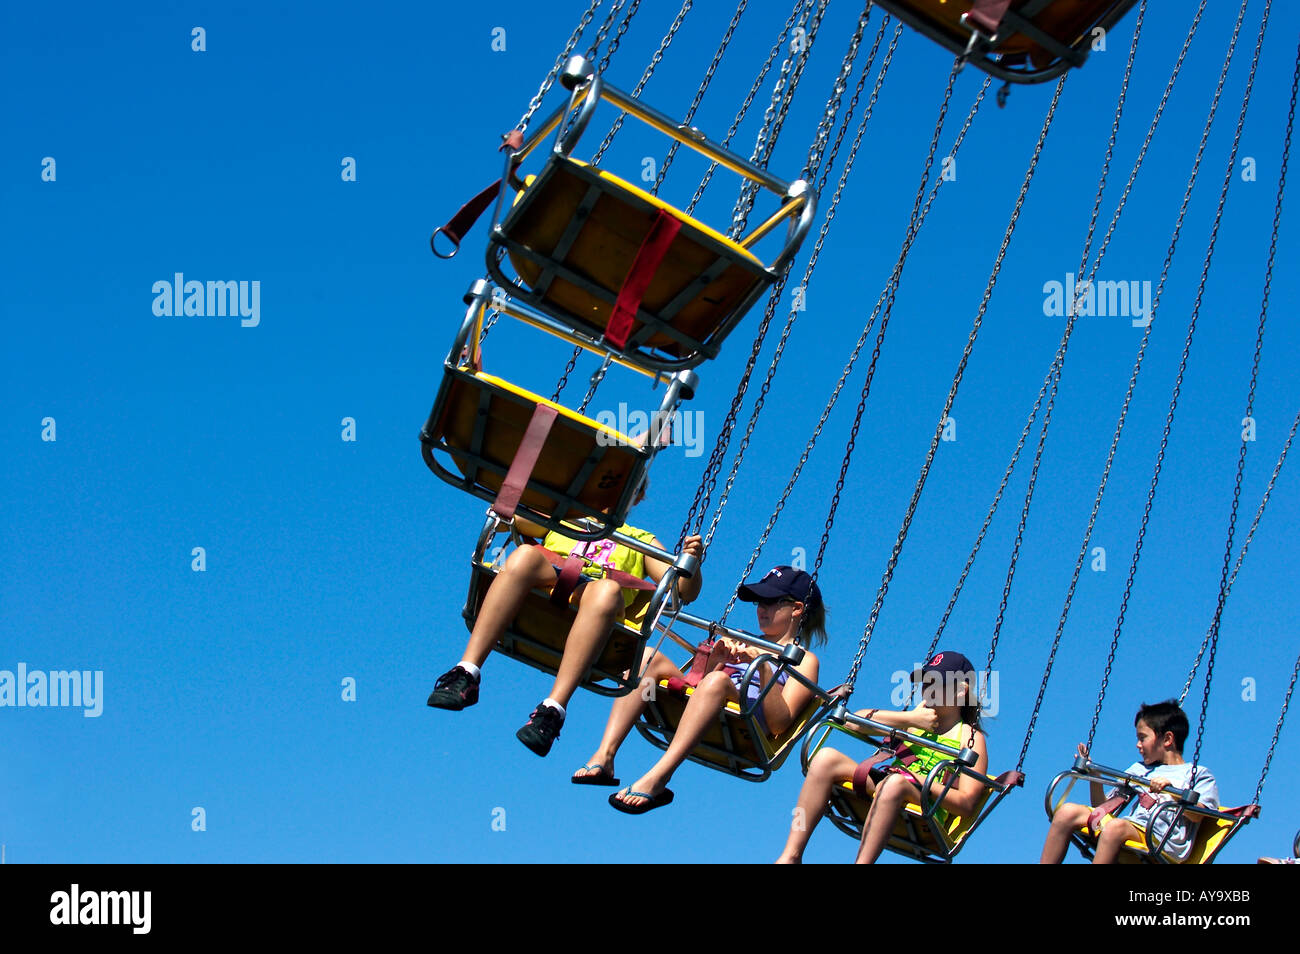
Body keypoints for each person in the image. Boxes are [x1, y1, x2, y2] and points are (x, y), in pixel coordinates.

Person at [426, 483, 704, 758]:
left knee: (606, 591)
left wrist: (692, 562)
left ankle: (552, 710)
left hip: (598, 601)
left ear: (639, 495)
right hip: (550, 583)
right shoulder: (565, 516)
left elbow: (682, 591)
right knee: (523, 555)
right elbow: (504, 518)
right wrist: (512, 490)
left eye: (630, 485)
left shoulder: (640, 540)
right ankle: (466, 671)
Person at [573, 565, 825, 813]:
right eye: (759, 602)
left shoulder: (804, 660)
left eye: (770, 602)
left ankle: (659, 777)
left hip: (747, 727)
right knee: (648, 657)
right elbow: (698, 683)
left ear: (796, 609)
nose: (761, 609)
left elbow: (781, 724)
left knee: (718, 683)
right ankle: (605, 755)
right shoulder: (739, 636)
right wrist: (716, 659)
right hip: (706, 704)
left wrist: (763, 667)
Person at [776, 650, 989, 864]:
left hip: (926, 805)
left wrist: (917, 782)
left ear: (961, 691)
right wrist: (909, 719)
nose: (926, 690)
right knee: (825, 758)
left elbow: (967, 802)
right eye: (925, 683)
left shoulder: (970, 738)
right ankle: (791, 855)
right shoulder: (914, 721)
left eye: (936, 683)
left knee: (895, 783)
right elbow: (852, 721)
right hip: (887, 785)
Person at [1040, 699, 1220, 864]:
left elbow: (1200, 814)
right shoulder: (1140, 769)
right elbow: (1103, 808)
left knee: (1115, 827)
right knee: (1067, 812)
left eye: (1143, 738)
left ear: (1167, 739)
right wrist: (1094, 775)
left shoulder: (1197, 774)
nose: (1138, 745)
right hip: (1131, 829)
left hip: (1163, 842)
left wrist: (1171, 792)